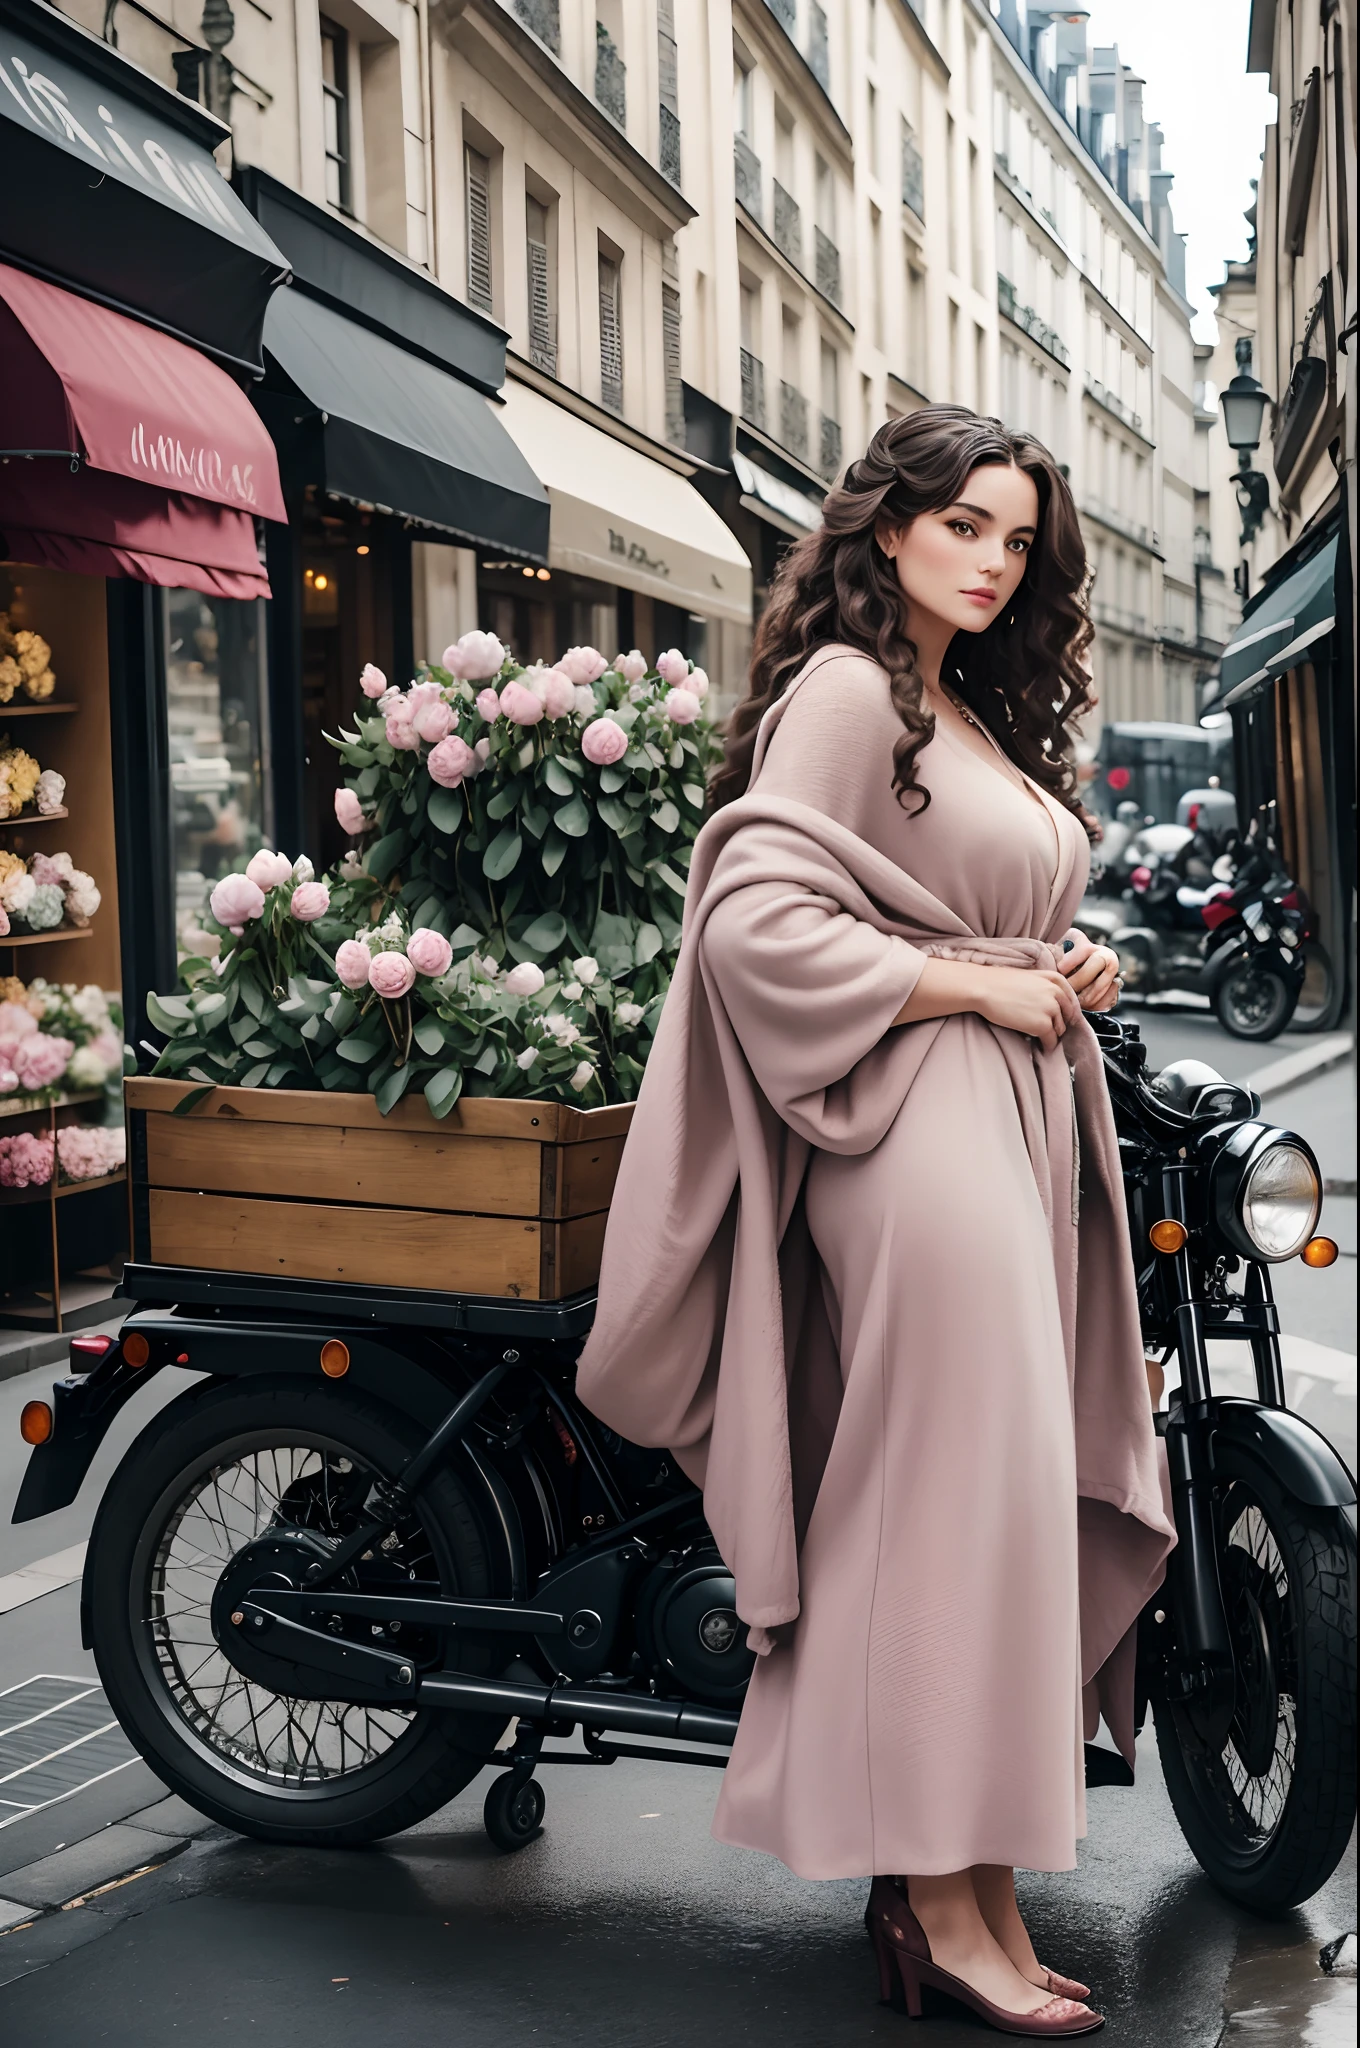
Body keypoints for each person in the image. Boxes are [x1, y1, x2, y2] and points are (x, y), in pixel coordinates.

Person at [577, 408, 1175, 2038]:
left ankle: (980, 1887)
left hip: (1007, 1128)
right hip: (914, 1141)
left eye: (1016, 540)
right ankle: (928, 1896)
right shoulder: (848, 692)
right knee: (941, 1507)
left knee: (988, 1510)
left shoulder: (958, 703)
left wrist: (1062, 959)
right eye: (965, 525)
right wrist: (975, 979)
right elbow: (758, 921)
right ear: (890, 523)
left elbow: (958, 903)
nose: (993, 560)